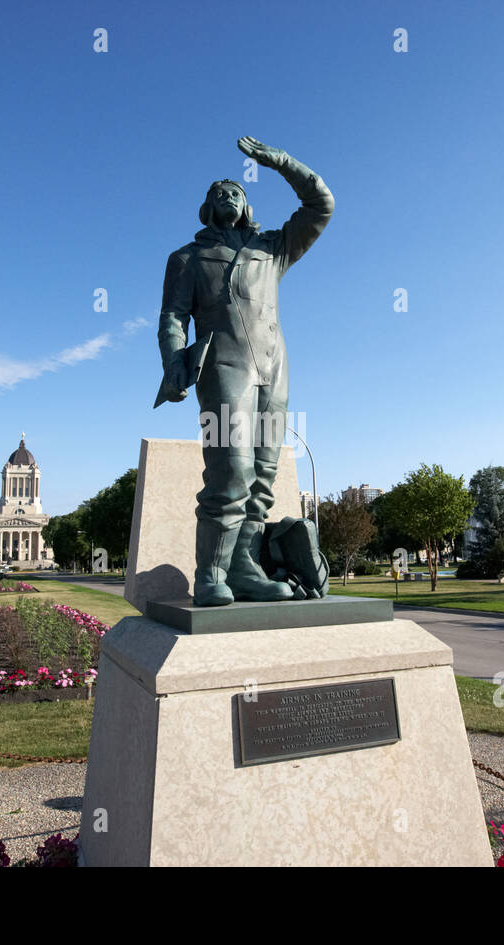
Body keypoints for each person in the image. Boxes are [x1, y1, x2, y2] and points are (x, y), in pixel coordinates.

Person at [157, 137, 333, 605]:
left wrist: (278, 162)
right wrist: (174, 362)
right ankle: (211, 573)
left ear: (248, 203)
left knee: (262, 473)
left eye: (236, 192)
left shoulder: (272, 248)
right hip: (222, 366)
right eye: (220, 194)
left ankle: (245, 568)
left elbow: (321, 204)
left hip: (274, 367)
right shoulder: (187, 258)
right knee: (229, 469)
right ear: (206, 207)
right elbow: (173, 316)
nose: (229, 198)